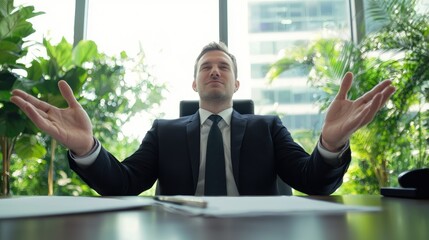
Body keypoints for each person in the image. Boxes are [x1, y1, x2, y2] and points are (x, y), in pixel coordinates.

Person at [10, 42, 396, 196]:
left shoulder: (268, 127)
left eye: (223, 67)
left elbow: (314, 182)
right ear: (193, 83)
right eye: (206, 67)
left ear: (236, 81)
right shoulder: (164, 132)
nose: (215, 71)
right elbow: (124, 184)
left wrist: (330, 145)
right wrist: (86, 148)